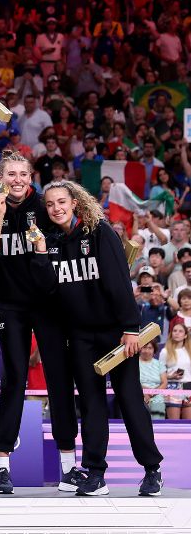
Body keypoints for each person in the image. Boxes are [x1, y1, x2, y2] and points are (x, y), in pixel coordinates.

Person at [34, 180, 163, 496]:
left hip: (116, 335)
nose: (56, 208)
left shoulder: (101, 233)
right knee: (91, 405)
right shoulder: (50, 242)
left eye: (62, 202)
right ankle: (95, 473)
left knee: (130, 400)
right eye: (50, 204)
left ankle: (152, 470)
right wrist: (39, 254)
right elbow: (49, 289)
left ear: (74, 202)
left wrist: (131, 329)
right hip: (80, 337)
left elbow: (120, 282)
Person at [0, 151, 82, 493]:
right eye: (11, 173)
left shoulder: (44, 206)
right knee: (15, 378)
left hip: (48, 303)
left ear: (30, 176)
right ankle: (2, 467)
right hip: (11, 306)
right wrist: (1, 212)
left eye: (22, 173)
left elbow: (66, 241)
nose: (17, 179)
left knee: (59, 378)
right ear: (1, 177)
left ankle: (69, 466)